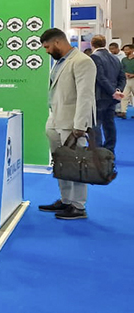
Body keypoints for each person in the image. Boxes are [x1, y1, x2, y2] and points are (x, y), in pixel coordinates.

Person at [39, 28, 97, 220]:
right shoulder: (59, 62)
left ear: (57, 42)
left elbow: (85, 96)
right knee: (61, 163)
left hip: (73, 125)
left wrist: (80, 126)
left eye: (47, 47)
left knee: (76, 164)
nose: (47, 51)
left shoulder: (82, 61)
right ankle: (66, 200)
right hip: (56, 119)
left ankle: (78, 206)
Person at [89, 34, 124, 152]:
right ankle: (109, 150)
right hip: (112, 98)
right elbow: (122, 77)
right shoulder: (115, 58)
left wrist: (113, 91)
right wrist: (117, 90)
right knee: (109, 124)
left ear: (92, 44)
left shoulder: (94, 57)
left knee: (95, 124)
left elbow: (100, 77)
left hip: (99, 96)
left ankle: (97, 151)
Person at [119, 43, 134, 118]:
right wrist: (125, 73)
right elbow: (121, 69)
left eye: (127, 50)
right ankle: (123, 112)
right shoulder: (124, 60)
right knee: (124, 96)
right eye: (124, 50)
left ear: (132, 50)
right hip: (126, 80)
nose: (125, 51)